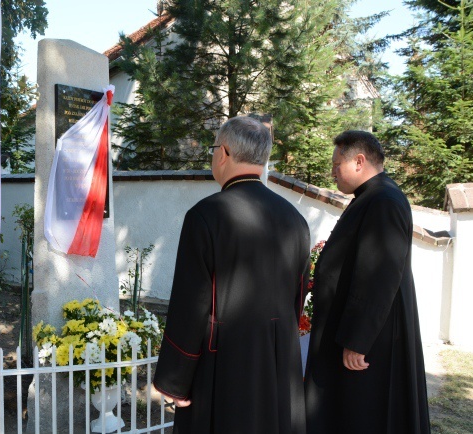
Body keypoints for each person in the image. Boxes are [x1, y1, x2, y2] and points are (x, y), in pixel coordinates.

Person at [153, 116, 310, 434]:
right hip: (278, 360)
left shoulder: (206, 215)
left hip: (224, 364)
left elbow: (191, 303)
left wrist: (175, 379)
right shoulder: (296, 220)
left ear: (222, 153)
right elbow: (297, 300)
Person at [304, 130, 431, 434]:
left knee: (365, 413)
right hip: (353, 333)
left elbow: (379, 274)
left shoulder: (383, 200)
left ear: (359, 161)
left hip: (368, 342)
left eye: (337, 165)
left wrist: (357, 339)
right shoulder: (372, 197)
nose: (332, 173)